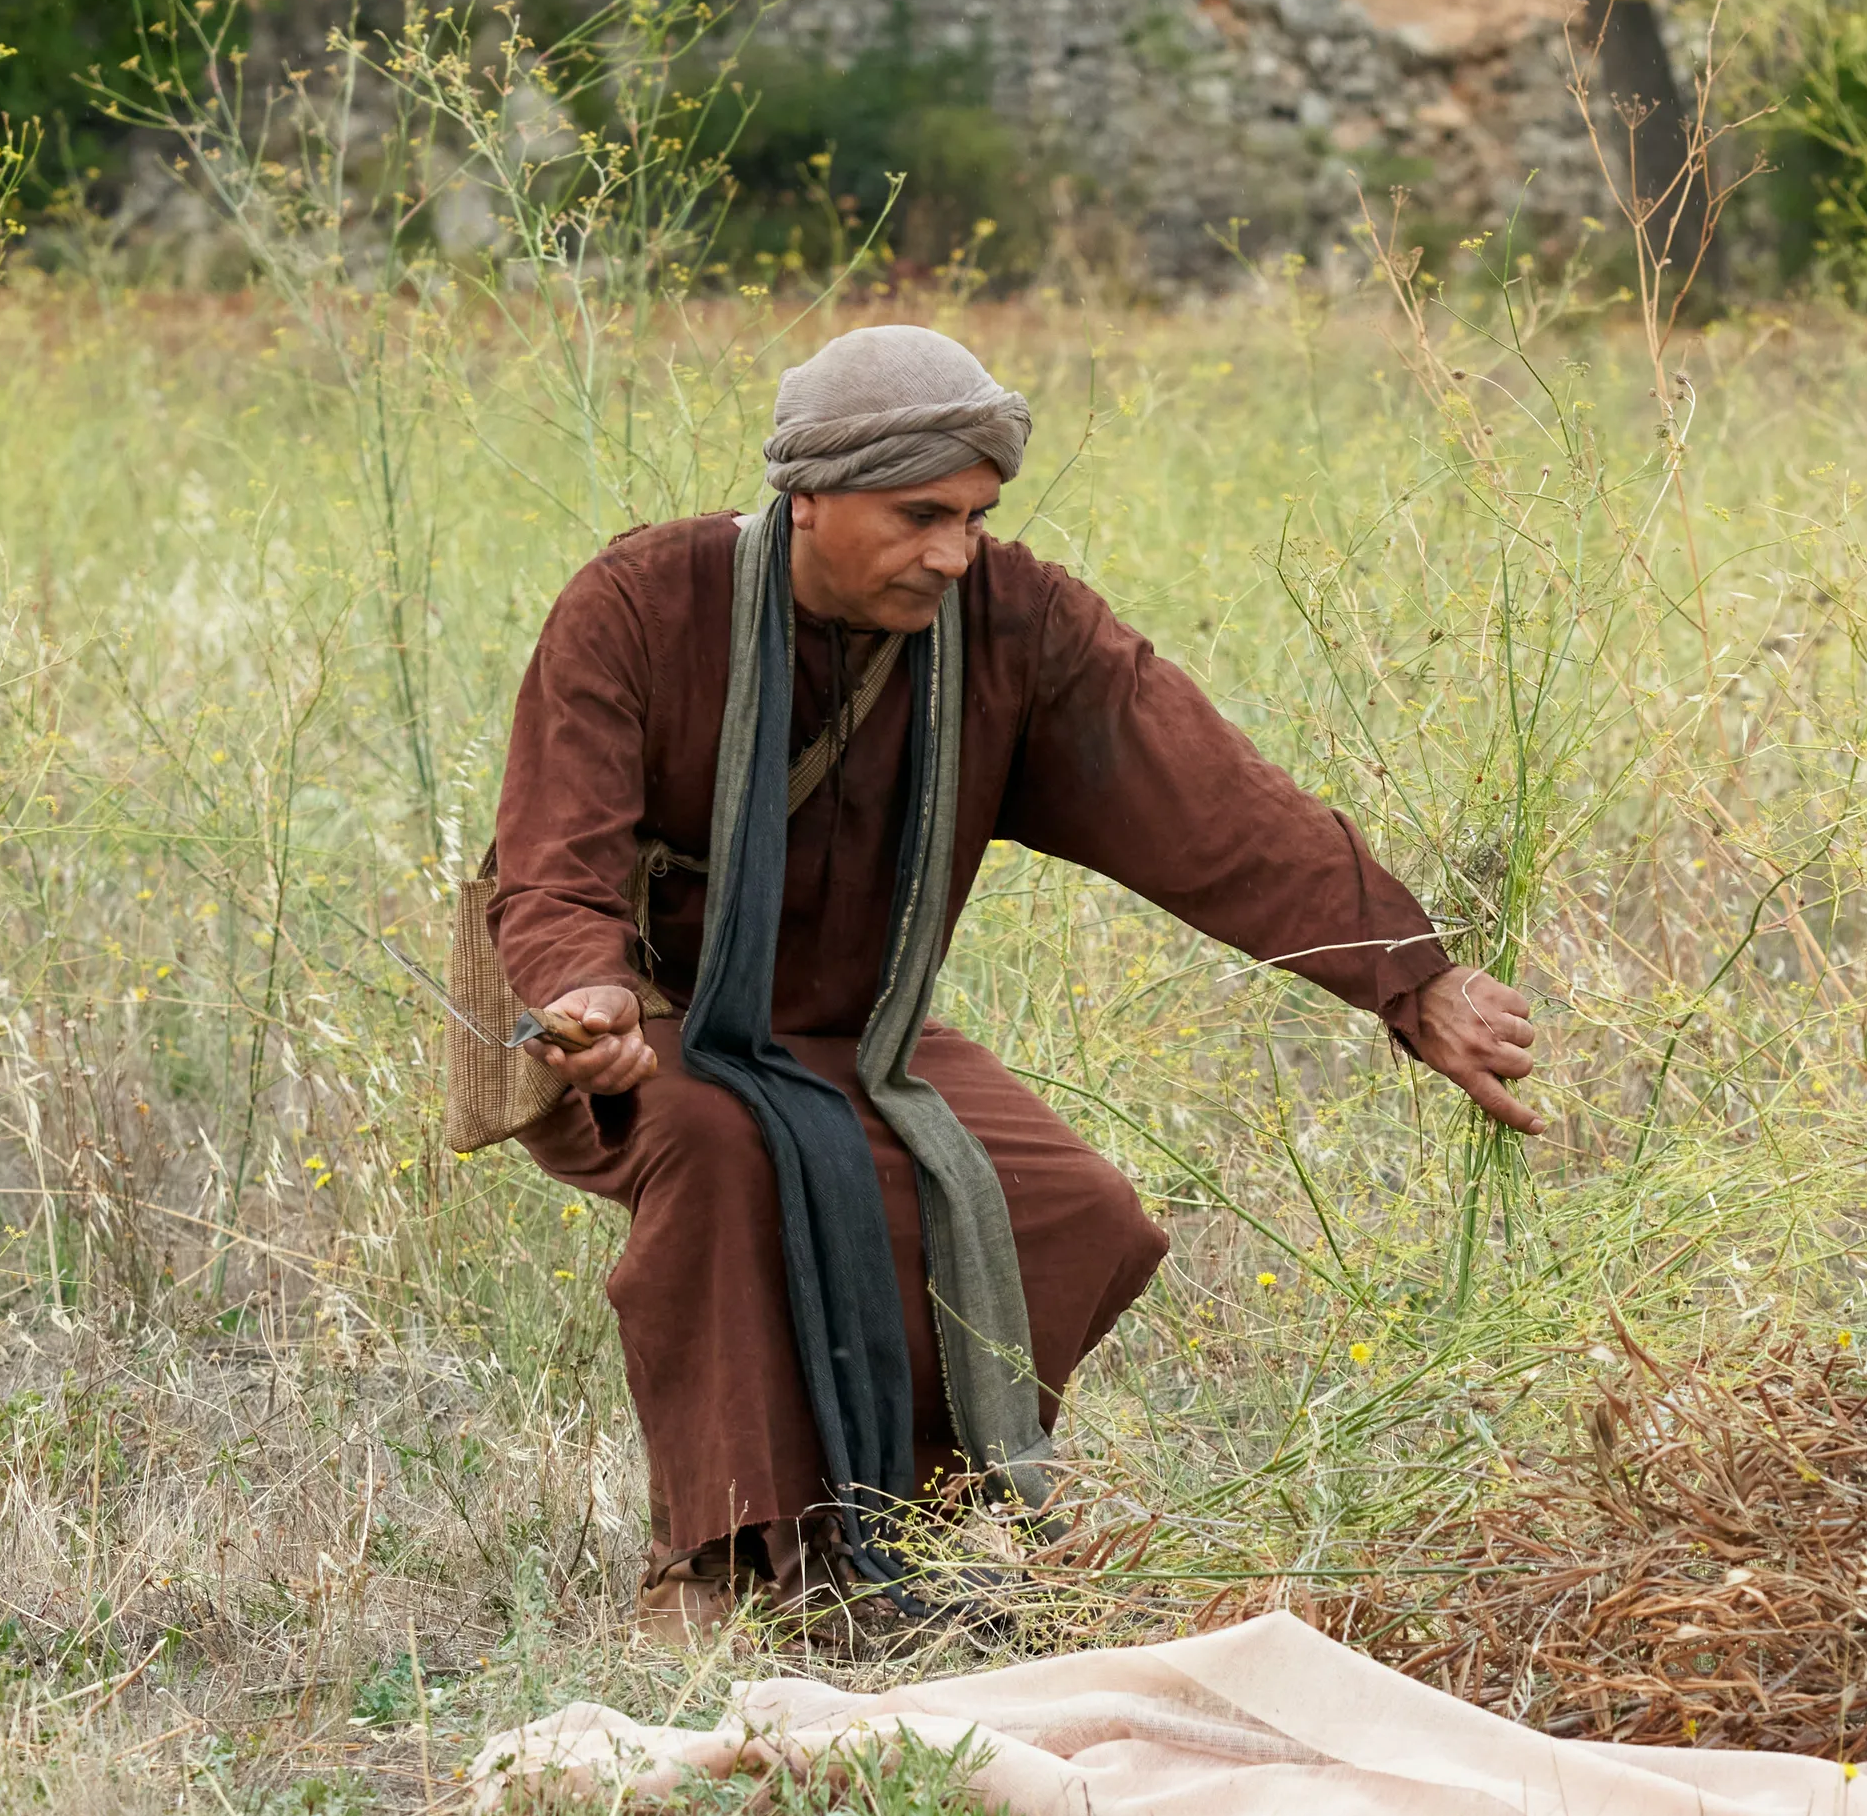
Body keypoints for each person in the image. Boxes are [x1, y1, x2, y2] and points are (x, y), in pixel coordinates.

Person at [486, 324, 1541, 1642]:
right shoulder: (646, 603)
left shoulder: (1014, 625)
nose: (952, 553)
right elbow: (552, 859)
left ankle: (864, 1535)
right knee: (718, 1151)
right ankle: (710, 1564)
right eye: (920, 514)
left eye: (979, 517)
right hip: (638, 1029)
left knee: (1073, 1210)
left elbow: (1210, 802)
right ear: (805, 497)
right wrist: (582, 994)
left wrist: (1410, 978)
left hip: (857, 1038)